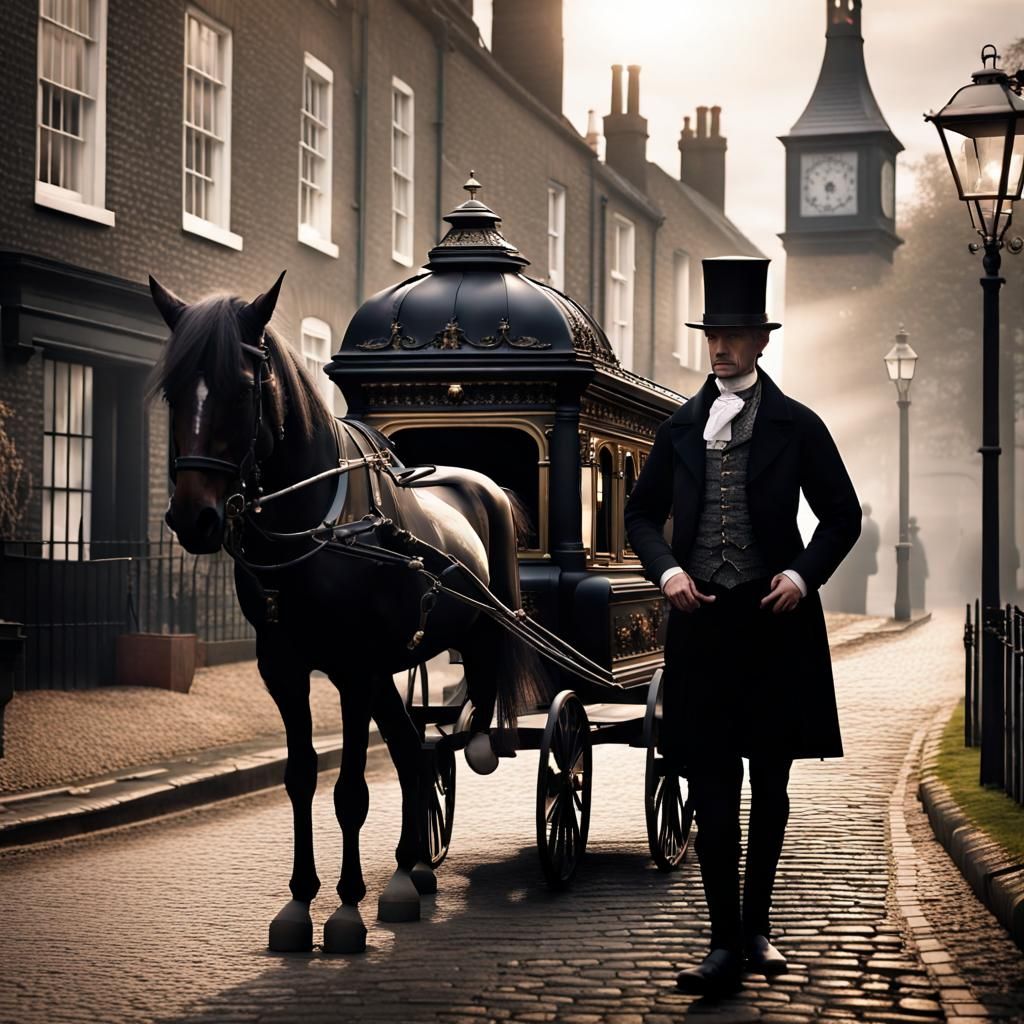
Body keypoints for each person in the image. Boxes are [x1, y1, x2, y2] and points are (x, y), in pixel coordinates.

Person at [624, 256, 861, 997]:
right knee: (713, 783)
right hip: (702, 628)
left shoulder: (797, 425)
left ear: (761, 342)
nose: (721, 348)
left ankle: (758, 925)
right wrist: (666, 570)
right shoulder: (680, 427)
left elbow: (842, 516)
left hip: (774, 626)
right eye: (713, 335)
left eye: (735, 336)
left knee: (772, 781)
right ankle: (723, 942)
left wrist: (801, 575)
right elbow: (639, 514)